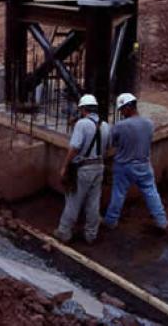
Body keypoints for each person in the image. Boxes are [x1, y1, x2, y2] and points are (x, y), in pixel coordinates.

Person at [103, 93, 168, 231]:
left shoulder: (120, 126)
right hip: (144, 165)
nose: (121, 112)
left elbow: (112, 143)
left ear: (128, 107)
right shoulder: (149, 124)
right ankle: (161, 221)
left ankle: (110, 221)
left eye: (121, 109)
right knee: (151, 192)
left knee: (118, 194)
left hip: (124, 166)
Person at [54, 94, 111, 244]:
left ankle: (64, 232)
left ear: (83, 109)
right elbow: (107, 147)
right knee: (93, 202)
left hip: (84, 168)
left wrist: (65, 166)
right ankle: (91, 235)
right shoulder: (105, 125)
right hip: (99, 166)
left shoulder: (82, 124)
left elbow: (74, 148)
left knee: (74, 201)